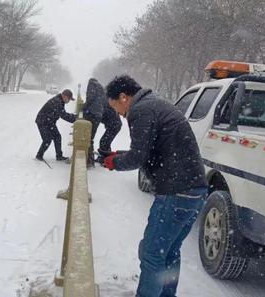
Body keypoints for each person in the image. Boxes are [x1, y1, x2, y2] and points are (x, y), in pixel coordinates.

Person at [101, 75, 207, 297]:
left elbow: (138, 157)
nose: (118, 114)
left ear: (123, 97)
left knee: (151, 254)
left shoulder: (140, 110)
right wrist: (118, 155)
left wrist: (115, 162)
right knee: (168, 252)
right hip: (195, 190)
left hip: (176, 191)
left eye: (116, 108)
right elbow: (150, 151)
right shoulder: (155, 104)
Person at [35, 89, 77, 161]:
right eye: (69, 99)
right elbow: (63, 115)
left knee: (57, 137)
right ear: (64, 96)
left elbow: (63, 113)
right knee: (47, 139)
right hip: (42, 121)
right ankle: (39, 155)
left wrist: (74, 117)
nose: (69, 101)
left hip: (49, 122)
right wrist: (75, 119)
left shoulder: (60, 101)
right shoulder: (57, 101)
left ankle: (59, 156)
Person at [82, 78, 105, 167]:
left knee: (87, 137)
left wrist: (83, 108)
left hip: (92, 114)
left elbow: (90, 99)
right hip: (99, 115)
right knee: (91, 137)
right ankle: (89, 160)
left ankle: (89, 161)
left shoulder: (91, 85)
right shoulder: (100, 87)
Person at [98, 90, 122, 155]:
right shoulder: (103, 102)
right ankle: (106, 157)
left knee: (104, 142)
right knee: (105, 142)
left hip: (114, 125)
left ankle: (105, 157)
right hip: (114, 125)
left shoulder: (102, 105)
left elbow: (103, 115)